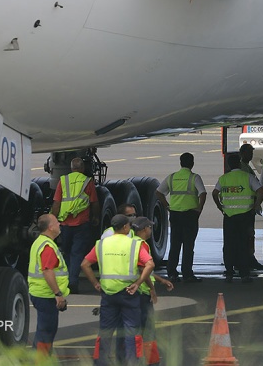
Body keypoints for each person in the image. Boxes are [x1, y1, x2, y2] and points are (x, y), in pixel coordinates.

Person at [82, 214, 155, 366]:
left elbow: (85, 264)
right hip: (128, 293)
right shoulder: (133, 244)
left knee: (105, 332)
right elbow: (149, 264)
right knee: (131, 332)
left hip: (108, 294)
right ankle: (131, 361)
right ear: (125, 227)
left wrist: (96, 283)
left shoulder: (102, 244)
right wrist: (138, 282)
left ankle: (100, 362)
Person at [50, 157, 100, 295]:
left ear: (71, 168)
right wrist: (96, 217)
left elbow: (57, 202)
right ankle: (72, 282)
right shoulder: (87, 182)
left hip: (65, 223)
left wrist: (53, 219)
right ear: (82, 168)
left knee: (65, 251)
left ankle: (65, 281)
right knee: (77, 253)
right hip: (81, 223)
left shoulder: (63, 180)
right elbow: (94, 202)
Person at [213, 153, 263, 283]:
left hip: (229, 216)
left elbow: (215, 193)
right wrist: (256, 204)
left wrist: (220, 207)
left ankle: (229, 272)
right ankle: (244, 274)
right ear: (240, 163)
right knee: (243, 244)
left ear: (229, 165)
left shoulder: (224, 179)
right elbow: (260, 190)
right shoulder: (247, 177)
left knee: (229, 244)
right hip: (245, 215)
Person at [156, 152, 206, 283]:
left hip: (175, 214)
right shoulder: (194, 177)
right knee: (188, 245)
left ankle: (172, 272)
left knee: (175, 244)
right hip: (190, 215)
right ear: (192, 163)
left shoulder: (172, 177)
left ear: (180, 162)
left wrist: (167, 205)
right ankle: (187, 273)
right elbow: (203, 193)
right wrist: (199, 208)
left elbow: (159, 192)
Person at [131, 217, 174, 366]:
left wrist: (161, 280)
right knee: (147, 327)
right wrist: (152, 289)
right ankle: (150, 359)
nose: (151, 229)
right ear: (144, 229)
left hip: (132, 292)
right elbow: (144, 268)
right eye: (150, 227)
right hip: (142, 292)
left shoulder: (131, 242)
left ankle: (135, 357)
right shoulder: (141, 245)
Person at [28, 214, 69, 360]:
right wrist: (58, 294)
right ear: (50, 227)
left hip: (41, 293)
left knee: (45, 331)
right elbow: (47, 270)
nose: (60, 224)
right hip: (46, 295)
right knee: (46, 332)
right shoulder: (47, 246)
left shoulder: (40, 242)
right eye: (57, 223)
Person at [240, 143, 263, 271]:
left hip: (247, 206)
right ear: (243, 153)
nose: (251, 155)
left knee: (247, 234)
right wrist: (256, 204)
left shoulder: (246, 167)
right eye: (249, 152)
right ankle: (248, 259)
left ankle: (246, 259)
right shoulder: (244, 169)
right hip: (247, 207)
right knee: (248, 235)